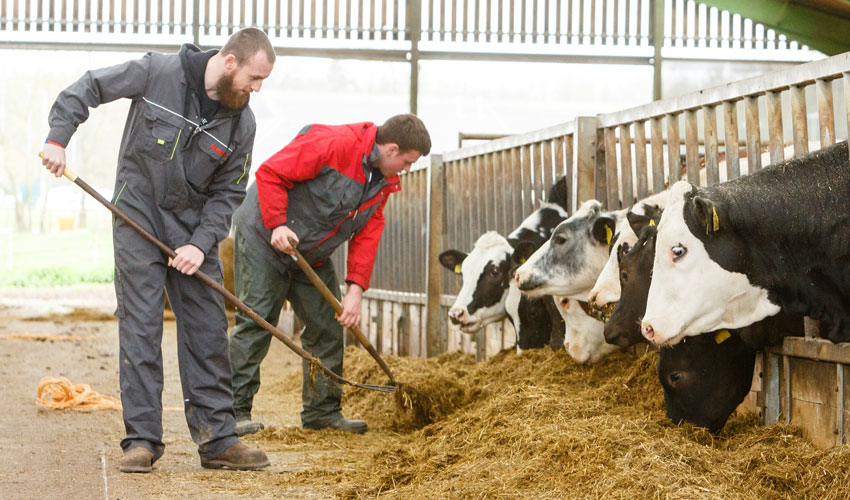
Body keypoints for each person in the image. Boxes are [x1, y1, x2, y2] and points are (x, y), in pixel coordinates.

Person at [40, 28, 275, 473]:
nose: (257, 89)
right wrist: (58, 138)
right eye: (255, 77)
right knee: (141, 326)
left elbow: (229, 192)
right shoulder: (156, 73)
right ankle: (143, 440)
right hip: (138, 220)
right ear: (230, 62)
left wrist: (199, 243)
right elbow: (89, 86)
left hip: (194, 233)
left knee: (207, 331)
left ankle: (218, 439)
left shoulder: (241, 121)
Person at [229, 115, 431, 435]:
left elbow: (368, 233)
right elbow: (270, 173)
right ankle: (232, 413)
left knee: (327, 327)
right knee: (257, 321)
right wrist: (277, 223)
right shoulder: (334, 145)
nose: (407, 169)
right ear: (392, 149)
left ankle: (322, 413)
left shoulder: (384, 183)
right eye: (407, 162)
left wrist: (355, 290)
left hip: (311, 253)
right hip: (265, 238)